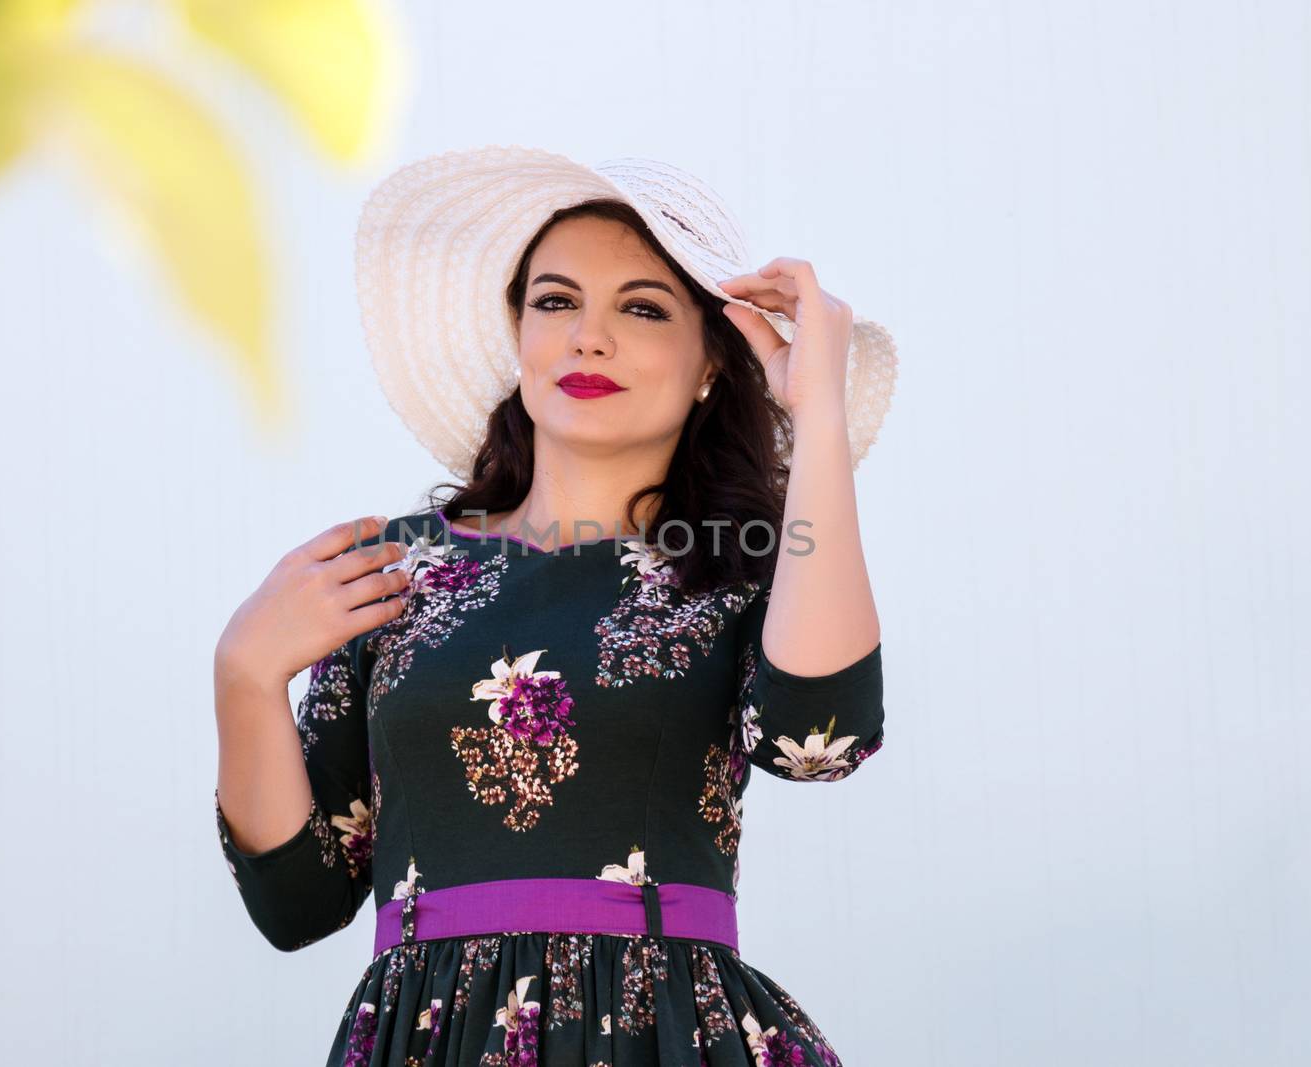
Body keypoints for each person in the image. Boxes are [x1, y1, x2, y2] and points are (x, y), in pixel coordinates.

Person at [211, 146, 899, 1066]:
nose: (589, 336)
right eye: (557, 300)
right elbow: (298, 905)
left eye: (643, 308)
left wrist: (816, 412)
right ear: (520, 333)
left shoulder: (739, 570)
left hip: (662, 1035)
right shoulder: (397, 569)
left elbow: (820, 741)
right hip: (426, 1038)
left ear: (710, 363)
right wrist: (244, 675)